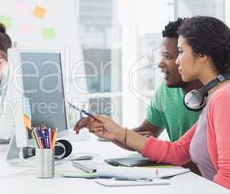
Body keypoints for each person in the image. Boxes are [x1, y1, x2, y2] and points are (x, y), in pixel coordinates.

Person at [88, 16, 230, 189]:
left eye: (181, 52)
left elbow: (227, 178)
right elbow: (175, 152)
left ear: (202, 55)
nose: (178, 60)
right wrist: (115, 131)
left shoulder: (224, 98)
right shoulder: (214, 96)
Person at [74, 18, 203, 174]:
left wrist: (155, 148)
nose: (160, 64)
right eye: (162, 56)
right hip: (182, 179)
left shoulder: (219, 98)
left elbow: (205, 163)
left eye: (168, 57)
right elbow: (143, 131)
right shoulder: (166, 90)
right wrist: (107, 131)